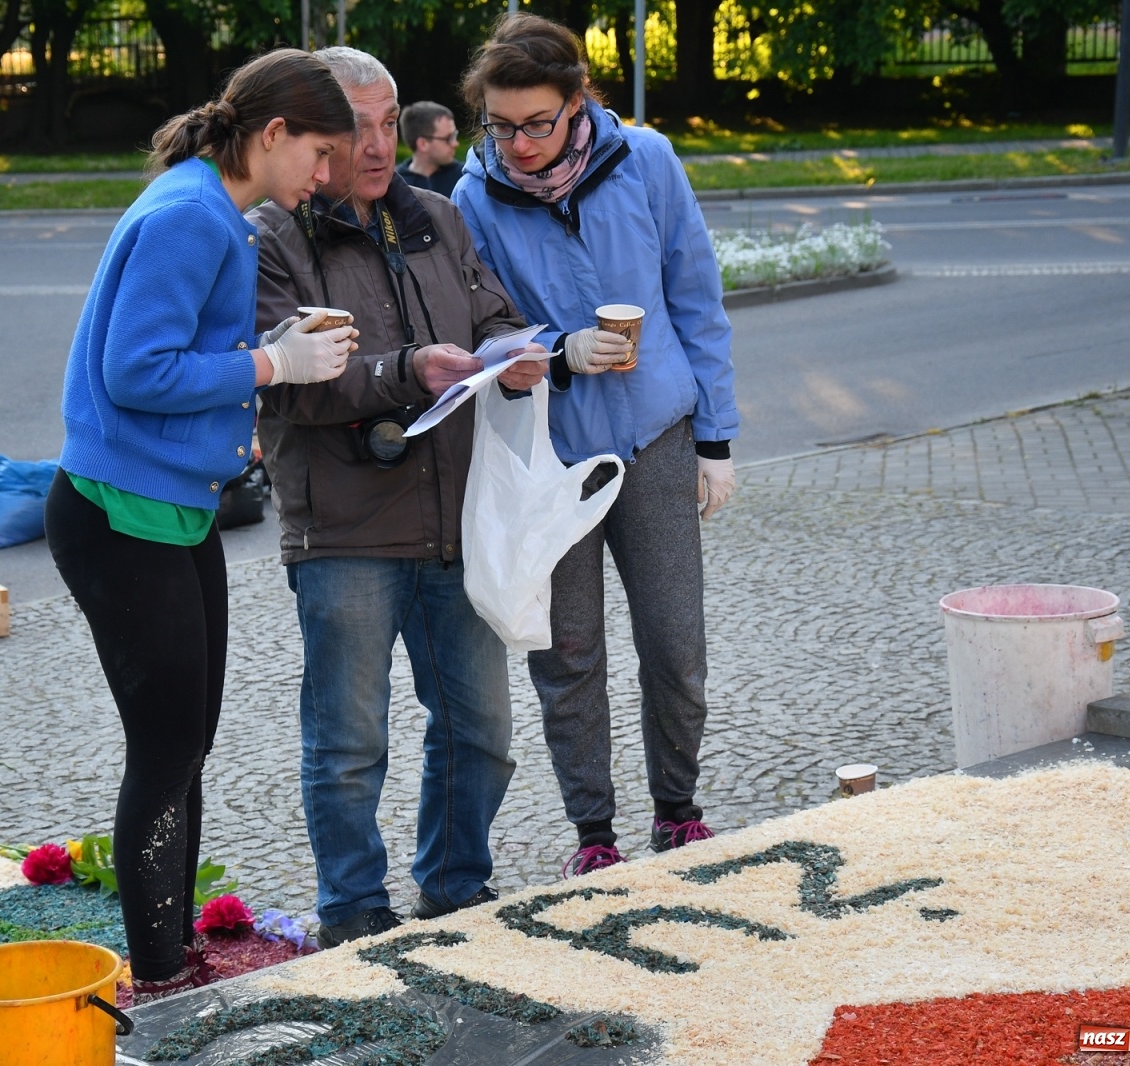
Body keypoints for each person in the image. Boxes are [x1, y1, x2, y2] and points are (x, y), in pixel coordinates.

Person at [44, 49, 355, 1004]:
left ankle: (175, 951)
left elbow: (172, 356)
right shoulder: (190, 216)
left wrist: (259, 356)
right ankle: (158, 974)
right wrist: (270, 369)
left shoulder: (209, 205)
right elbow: (134, 372)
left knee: (187, 743)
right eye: (318, 152)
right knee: (168, 747)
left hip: (171, 511)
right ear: (271, 136)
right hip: (117, 517)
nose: (326, 176)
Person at [247, 47, 548, 949]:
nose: (380, 146)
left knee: (481, 731)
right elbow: (288, 383)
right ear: (315, 136)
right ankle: (353, 912)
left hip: (457, 519)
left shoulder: (441, 219)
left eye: (388, 124)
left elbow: (491, 318)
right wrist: (406, 369)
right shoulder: (275, 235)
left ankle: (455, 889)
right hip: (342, 529)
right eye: (356, 128)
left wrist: (516, 354)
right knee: (348, 746)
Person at [453, 14, 740, 879]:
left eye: (537, 122)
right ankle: (595, 834)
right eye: (500, 126)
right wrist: (561, 354)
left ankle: (678, 812)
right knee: (567, 654)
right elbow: (486, 332)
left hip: (657, 436)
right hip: (559, 458)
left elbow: (696, 299)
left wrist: (716, 439)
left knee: (674, 643)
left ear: (578, 102)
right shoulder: (474, 198)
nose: (518, 145)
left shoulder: (646, 160)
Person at [397, 100, 465, 195]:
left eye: (455, 135)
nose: (455, 144)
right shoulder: (395, 185)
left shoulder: (464, 177)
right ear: (423, 144)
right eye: (448, 138)